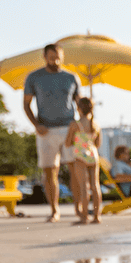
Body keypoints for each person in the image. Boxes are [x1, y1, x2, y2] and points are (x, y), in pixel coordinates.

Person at [23, 43, 81, 222]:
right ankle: (54, 210)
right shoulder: (34, 77)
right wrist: (36, 125)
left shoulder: (72, 77)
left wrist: (84, 123)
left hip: (70, 128)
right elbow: (26, 104)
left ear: (62, 56)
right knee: (50, 171)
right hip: (45, 130)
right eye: (51, 57)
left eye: (57, 57)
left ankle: (79, 208)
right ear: (44, 56)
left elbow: (81, 104)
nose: (54, 60)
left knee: (77, 169)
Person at [65, 97, 102, 224]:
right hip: (93, 154)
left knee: (83, 187)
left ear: (78, 108)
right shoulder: (96, 124)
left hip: (80, 155)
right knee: (95, 185)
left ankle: (85, 216)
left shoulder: (75, 124)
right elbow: (98, 143)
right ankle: (97, 216)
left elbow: (68, 143)